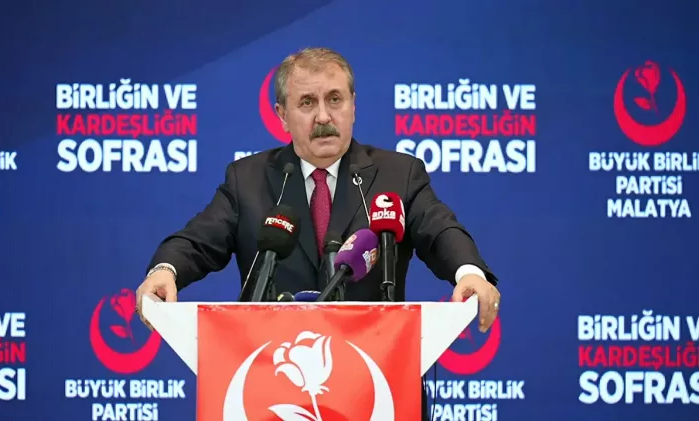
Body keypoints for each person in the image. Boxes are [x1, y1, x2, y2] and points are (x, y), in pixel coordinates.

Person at [136, 46, 500, 420]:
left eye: (335, 99)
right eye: (307, 102)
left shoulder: (398, 174)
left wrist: (469, 272)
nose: (324, 116)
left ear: (353, 106)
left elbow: (439, 229)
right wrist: (165, 270)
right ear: (282, 115)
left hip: (375, 387)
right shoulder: (248, 180)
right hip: (272, 390)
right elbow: (199, 239)